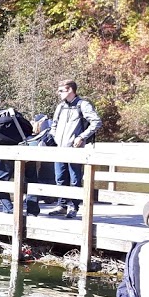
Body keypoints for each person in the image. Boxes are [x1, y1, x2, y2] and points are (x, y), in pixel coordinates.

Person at [0, 93, 39, 215]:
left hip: (6, 155)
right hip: (25, 150)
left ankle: (9, 210)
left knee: (0, 182)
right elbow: (28, 128)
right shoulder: (12, 113)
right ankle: (33, 210)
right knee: (31, 180)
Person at [49, 80, 101, 219]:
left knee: (75, 179)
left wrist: (81, 137)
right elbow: (53, 125)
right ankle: (62, 205)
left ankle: (73, 206)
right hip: (60, 149)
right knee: (60, 178)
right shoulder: (60, 107)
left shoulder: (83, 105)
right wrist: (55, 138)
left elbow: (96, 122)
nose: (58, 93)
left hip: (75, 149)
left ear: (70, 90)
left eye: (61, 90)